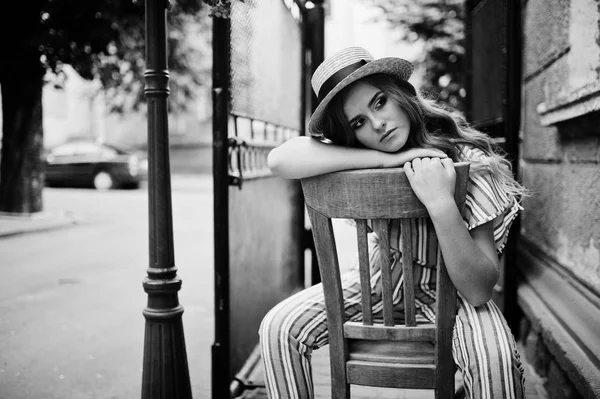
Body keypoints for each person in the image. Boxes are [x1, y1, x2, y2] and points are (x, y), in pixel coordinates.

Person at [259, 47, 527, 399]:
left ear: (400, 96)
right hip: (378, 283)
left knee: (498, 360)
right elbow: (279, 160)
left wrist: (441, 203)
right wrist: (390, 160)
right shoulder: (361, 159)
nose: (377, 124)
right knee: (277, 328)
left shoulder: (466, 160)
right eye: (358, 123)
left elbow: (478, 291)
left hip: (455, 296)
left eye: (379, 102)